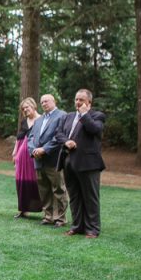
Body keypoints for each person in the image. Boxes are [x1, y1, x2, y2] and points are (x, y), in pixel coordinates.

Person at [55, 89, 106, 238]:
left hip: (88, 164)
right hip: (68, 161)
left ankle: (92, 229)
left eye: (81, 100)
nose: (78, 102)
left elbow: (94, 129)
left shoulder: (97, 116)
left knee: (90, 197)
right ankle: (77, 226)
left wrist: (84, 115)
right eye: (76, 99)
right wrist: (66, 141)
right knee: (75, 196)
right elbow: (58, 133)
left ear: (89, 103)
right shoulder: (68, 117)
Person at [27, 94, 68, 227]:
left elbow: (60, 136)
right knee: (44, 190)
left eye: (46, 101)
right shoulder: (38, 120)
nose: (44, 104)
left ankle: (60, 218)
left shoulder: (62, 115)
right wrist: (33, 150)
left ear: (54, 101)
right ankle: (48, 216)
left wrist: (44, 149)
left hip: (53, 159)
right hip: (38, 160)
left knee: (58, 189)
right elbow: (31, 137)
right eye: (42, 102)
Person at [12, 97, 42, 219]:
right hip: (21, 154)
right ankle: (23, 209)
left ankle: (40, 208)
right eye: (23, 108)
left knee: (35, 181)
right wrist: (15, 153)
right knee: (20, 181)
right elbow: (19, 137)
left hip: (33, 155)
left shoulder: (41, 119)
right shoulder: (24, 121)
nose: (25, 110)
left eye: (27, 107)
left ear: (34, 106)